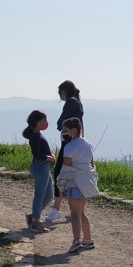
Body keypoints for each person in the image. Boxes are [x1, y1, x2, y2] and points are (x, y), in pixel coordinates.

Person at [56, 117, 97, 252]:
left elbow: (67, 167)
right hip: (85, 183)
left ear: (73, 130)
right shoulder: (88, 145)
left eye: (66, 130)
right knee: (82, 212)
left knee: (74, 213)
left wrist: (61, 185)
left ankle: (76, 241)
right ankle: (88, 239)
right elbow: (90, 163)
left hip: (73, 182)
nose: (64, 133)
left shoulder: (69, 147)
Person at [48, 80, 84, 223]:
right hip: (78, 143)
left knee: (60, 175)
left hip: (67, 143)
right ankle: (78, 209)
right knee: (76, 175)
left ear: (64, 91)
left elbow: (60, 123)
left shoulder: (70, 103)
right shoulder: (79, 103)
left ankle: (56, 209)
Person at [23, 110, 56, 231]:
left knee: (49, 195)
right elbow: (36, 153)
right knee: (40, 195)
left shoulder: (37, 134)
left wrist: (50, 156)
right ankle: (35, 222)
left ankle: (33, 216)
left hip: (44, 166)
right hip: (40, 166)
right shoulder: (35, 136)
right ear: (37, 122)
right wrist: (48, 157)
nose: (46, 123)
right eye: (44, 120)